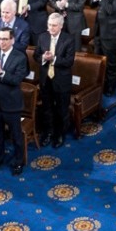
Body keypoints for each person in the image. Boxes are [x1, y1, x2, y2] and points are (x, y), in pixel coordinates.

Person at [0, 28, 29, 175]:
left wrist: (2, 72)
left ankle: (18, 161)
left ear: (12, 40)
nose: (2, 42)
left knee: (16, 136)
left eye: (5, 39)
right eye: (0, 39)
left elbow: (16, 80)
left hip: (11, 103)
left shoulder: (20, 57)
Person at [35, 13, 75, 148]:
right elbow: (36, 55)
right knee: (47, 108)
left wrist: (54, 59)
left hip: (61, 81)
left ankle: (60, 134)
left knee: (62, 109)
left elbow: (69, 61)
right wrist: (43, 57)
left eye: (54, 25)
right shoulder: (42, 37)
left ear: (61, 26)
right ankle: (49, 132)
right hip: (46, 80)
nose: (51, 28)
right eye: (49, 25)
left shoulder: (68, 40)